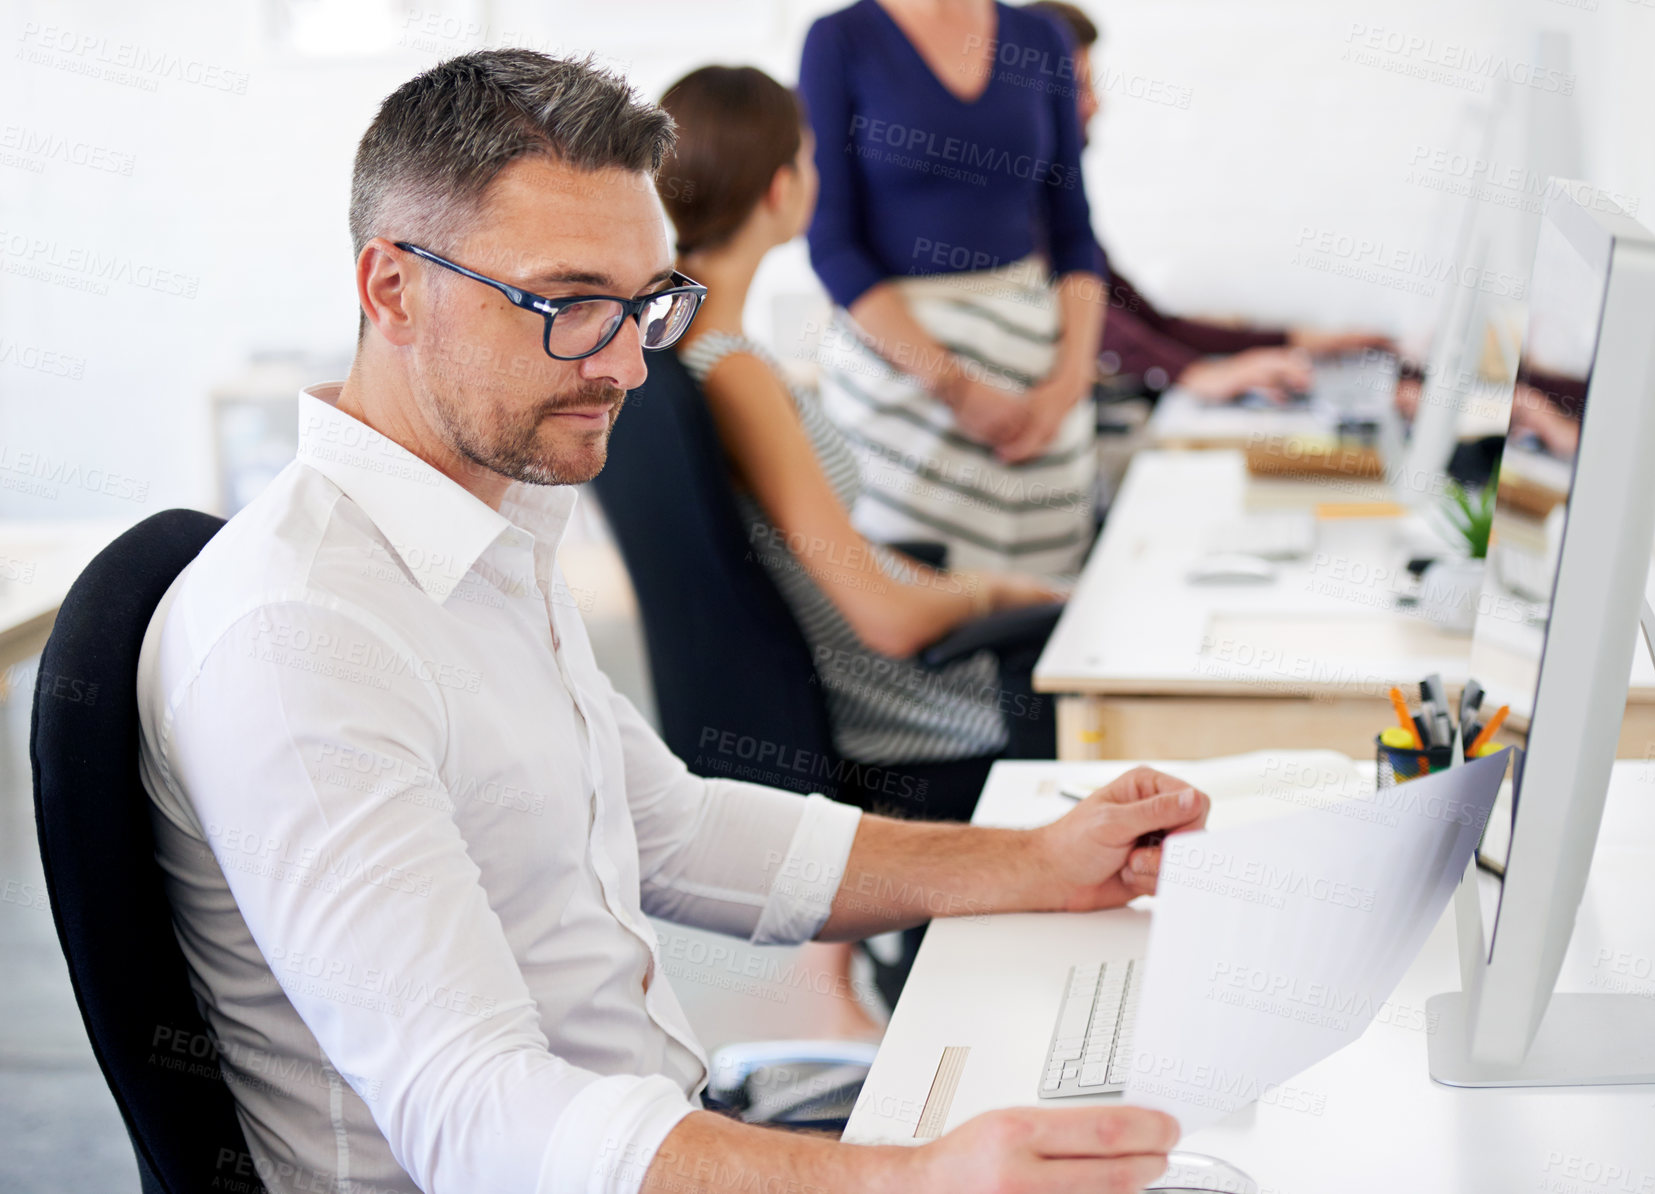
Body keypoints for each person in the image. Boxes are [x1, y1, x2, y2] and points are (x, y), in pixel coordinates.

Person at [137, 50, 1205, 1194]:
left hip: (651, 1131)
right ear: (392, 289)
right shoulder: (302, 636)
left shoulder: (486, 533)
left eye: (647, 305)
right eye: (569, 304)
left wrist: (1030, 862)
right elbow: (471, 1114)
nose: (626, 366)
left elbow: (670, 829)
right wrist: (906, 1180)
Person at [656, 63, 1065, 1035]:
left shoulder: (676, 355)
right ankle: (1015, 1016)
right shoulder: (735, 371)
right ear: (779, 188)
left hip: (811, 690)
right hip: (887, 714)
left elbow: (831, 562)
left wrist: (953, 584)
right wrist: (991, 589)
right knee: (1075, 661)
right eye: (805, 157)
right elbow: (878, 615)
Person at [798, 0, 1108, 577]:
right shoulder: (840, 40)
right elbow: (831, 243)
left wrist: (1068, 384)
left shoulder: (1041, 38)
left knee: (1046, 608)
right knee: (922, 604)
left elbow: (1075, 234)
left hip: (1038, 385)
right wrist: (956, 387)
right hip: (901, 380)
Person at [1025, 0, 1393, 404]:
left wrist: (1295, 340)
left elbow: (1151, 324)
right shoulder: (1014, 216)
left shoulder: (1059, 211)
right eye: (1079, 89)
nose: (1096, 105)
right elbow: (1093, 321)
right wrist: (1197, 375)